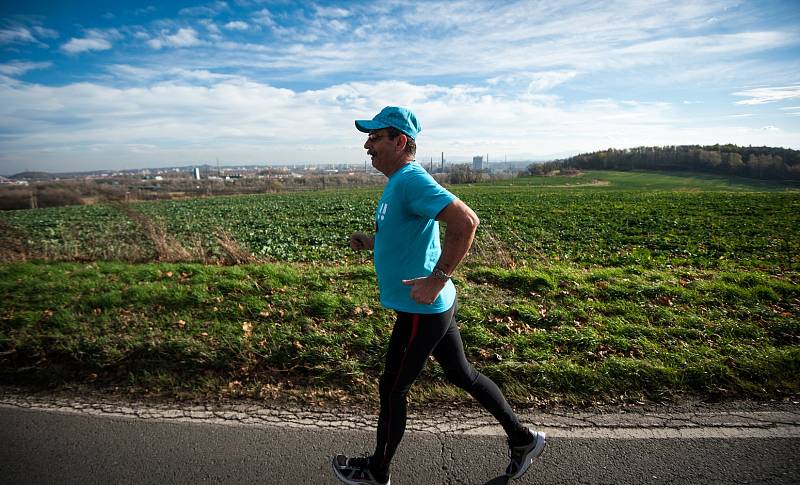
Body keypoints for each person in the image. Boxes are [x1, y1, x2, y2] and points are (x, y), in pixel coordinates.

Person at [331, 107, 546, 485]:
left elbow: (467, 221)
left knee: (393, 387)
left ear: (399, 141)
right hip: (429, 305)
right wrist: (372, 241)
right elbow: (408, 235)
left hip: (421, 308)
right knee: (462, 374)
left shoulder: (411, 179)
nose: (367, 144)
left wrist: (438, 278)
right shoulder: (398, 180)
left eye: (375, 137)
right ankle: (523, 439)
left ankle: (376, 471)